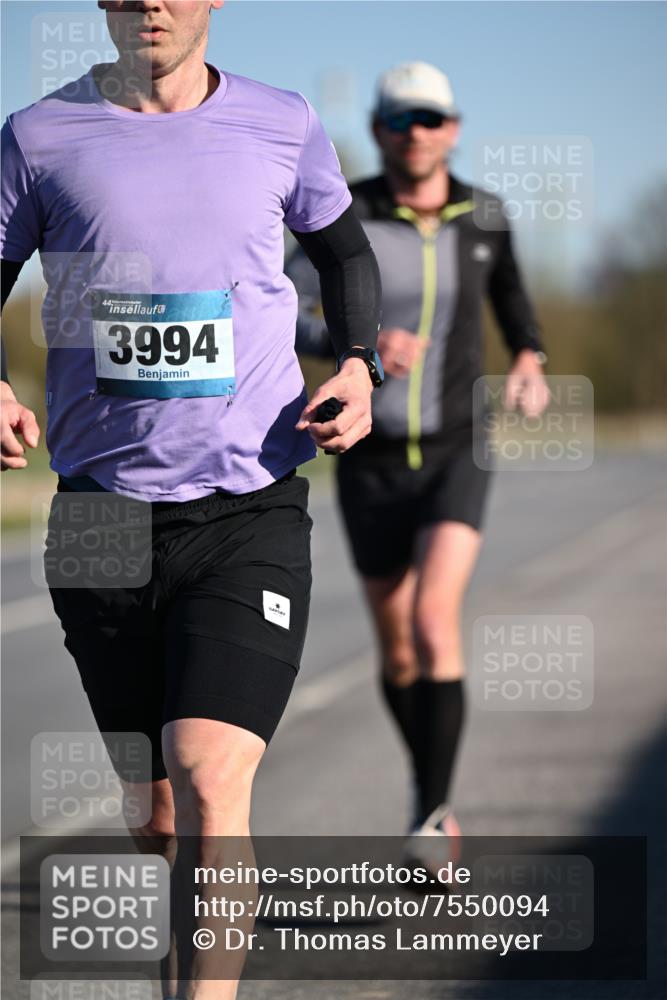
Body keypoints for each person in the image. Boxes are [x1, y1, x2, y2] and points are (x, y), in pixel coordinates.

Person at [1, 2, 383, 996]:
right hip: (97, 514)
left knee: (213, 779)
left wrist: (355, 363)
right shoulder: (38, 137)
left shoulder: (280, 121)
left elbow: (345, 254)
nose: (151, 4)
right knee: (157, 808)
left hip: (247, 507)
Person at [287, 61, 550, 858]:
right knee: (397, 644)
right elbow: (287, 307)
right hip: (366, 454)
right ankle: (425, 784)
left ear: (454, 128)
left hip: (455, 447)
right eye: (400, 119)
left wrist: (531, 355)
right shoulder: (346, 215)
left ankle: (432, 816)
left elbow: (511, 298)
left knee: (435, 620)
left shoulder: (486, 216)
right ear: (377, 130)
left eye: (430, 119)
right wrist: (353, 345)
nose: (416, 133)